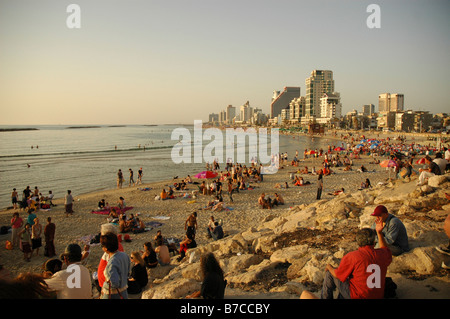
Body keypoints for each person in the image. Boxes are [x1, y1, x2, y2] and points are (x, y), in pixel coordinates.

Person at [316, 226, 392, 299]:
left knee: (330, 273)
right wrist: (379, 233)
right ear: (374, 242)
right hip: (377, 296)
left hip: (358, 296)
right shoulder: (382, 254)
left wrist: (329, 267)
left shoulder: (353, 256)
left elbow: (338, 275)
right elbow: (385, 248)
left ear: (358, 242)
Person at [100, 232, 131, 299]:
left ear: (106, 248)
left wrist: (104, 286)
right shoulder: (124, 255)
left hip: (114, 294)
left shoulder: (112, 263)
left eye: (102, 246)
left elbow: (114, 284)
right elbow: (128, 272)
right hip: (124, 291)